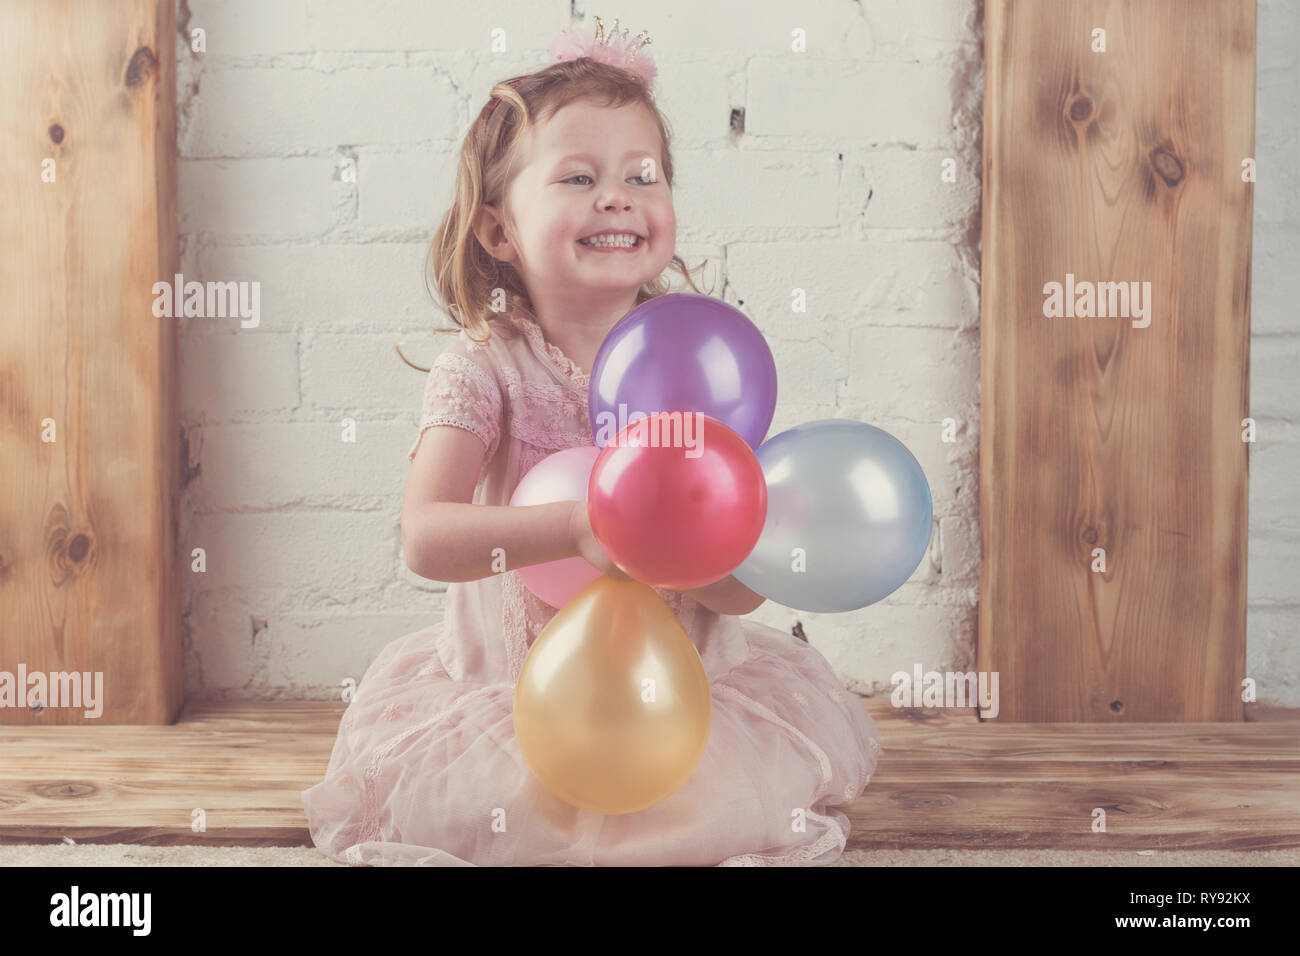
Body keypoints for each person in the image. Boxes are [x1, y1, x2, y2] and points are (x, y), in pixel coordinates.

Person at [301, 17, 882, 866]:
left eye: (641, 175)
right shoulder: (486, 369)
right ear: (499, 232)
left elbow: (742, 591)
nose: (616, 196)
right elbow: (426, 536)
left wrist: (703, 558)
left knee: (701, 811)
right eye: (578, 176)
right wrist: (580, 528)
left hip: (675, 697)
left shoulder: (705, 367)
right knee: (503, 817)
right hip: (518, 701)